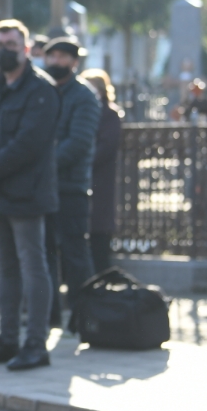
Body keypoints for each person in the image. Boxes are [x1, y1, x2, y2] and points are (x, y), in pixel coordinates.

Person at [0, 19, 59, 371]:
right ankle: (6, 339)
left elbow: (28, 144)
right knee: (5, 268)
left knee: (32, 266)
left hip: (26, 195)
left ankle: (36, 343)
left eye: (11, 44)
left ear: (26, 48)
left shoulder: (41, 90)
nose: (5, 50)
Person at [41, 37, 100, 328]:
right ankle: (49, 315)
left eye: (63, 57)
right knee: (46, 254)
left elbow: (78, 143)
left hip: (71, 188)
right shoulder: (43, 92)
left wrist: (42, 164)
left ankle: (83, 316)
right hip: (43, 189)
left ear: (74, 63)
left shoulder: (85, 97)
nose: (55, 62)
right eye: (51, 56)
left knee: (76, 256)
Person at [82, 69, 123, 273]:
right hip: (81, 179)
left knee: (99, 231)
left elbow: (106, 147)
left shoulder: (109, 114)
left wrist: (84, 159)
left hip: (99, 179)